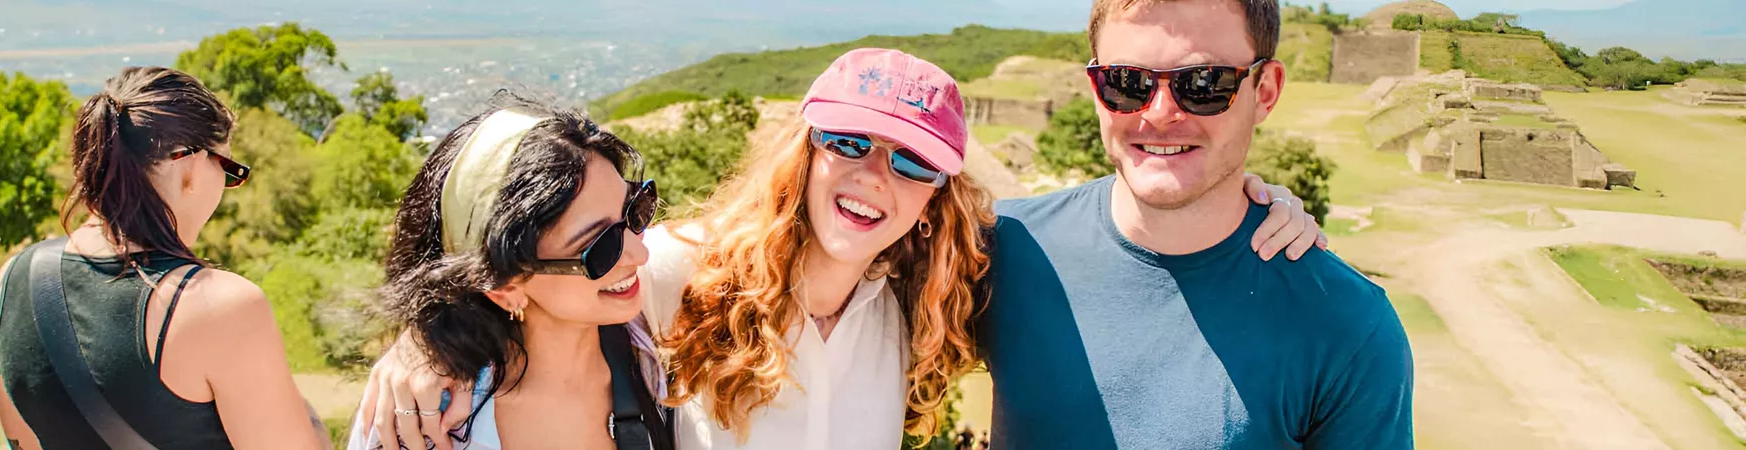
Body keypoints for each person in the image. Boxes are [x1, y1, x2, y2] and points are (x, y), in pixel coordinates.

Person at [359, 48, 1326, 450]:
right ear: (805, 151)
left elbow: (1132, 241)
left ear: (940, 194)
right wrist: (431, 340)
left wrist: (1259, 203)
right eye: (850, 145)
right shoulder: (672, 275)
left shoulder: (936, 293)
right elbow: (543, 269)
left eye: (912, 165)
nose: (873, 179)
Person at [977, 0, 1413, 448]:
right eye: (1127, 82)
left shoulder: (1347, 325)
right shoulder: (1003, 248)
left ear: (1265, 91)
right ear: (1095, 87)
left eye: (1204, 83)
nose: (1161, 113)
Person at [0, 66, 331, 449]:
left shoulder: (12, 279)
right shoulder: (219, 306)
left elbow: (21, 441)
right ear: (192, 167)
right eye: (229, 171)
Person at [346, 97, 670, 450]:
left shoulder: (662, 334)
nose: (640, 252)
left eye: (636, 210)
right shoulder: (430, 426)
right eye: (601, 248)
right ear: (503, 287)